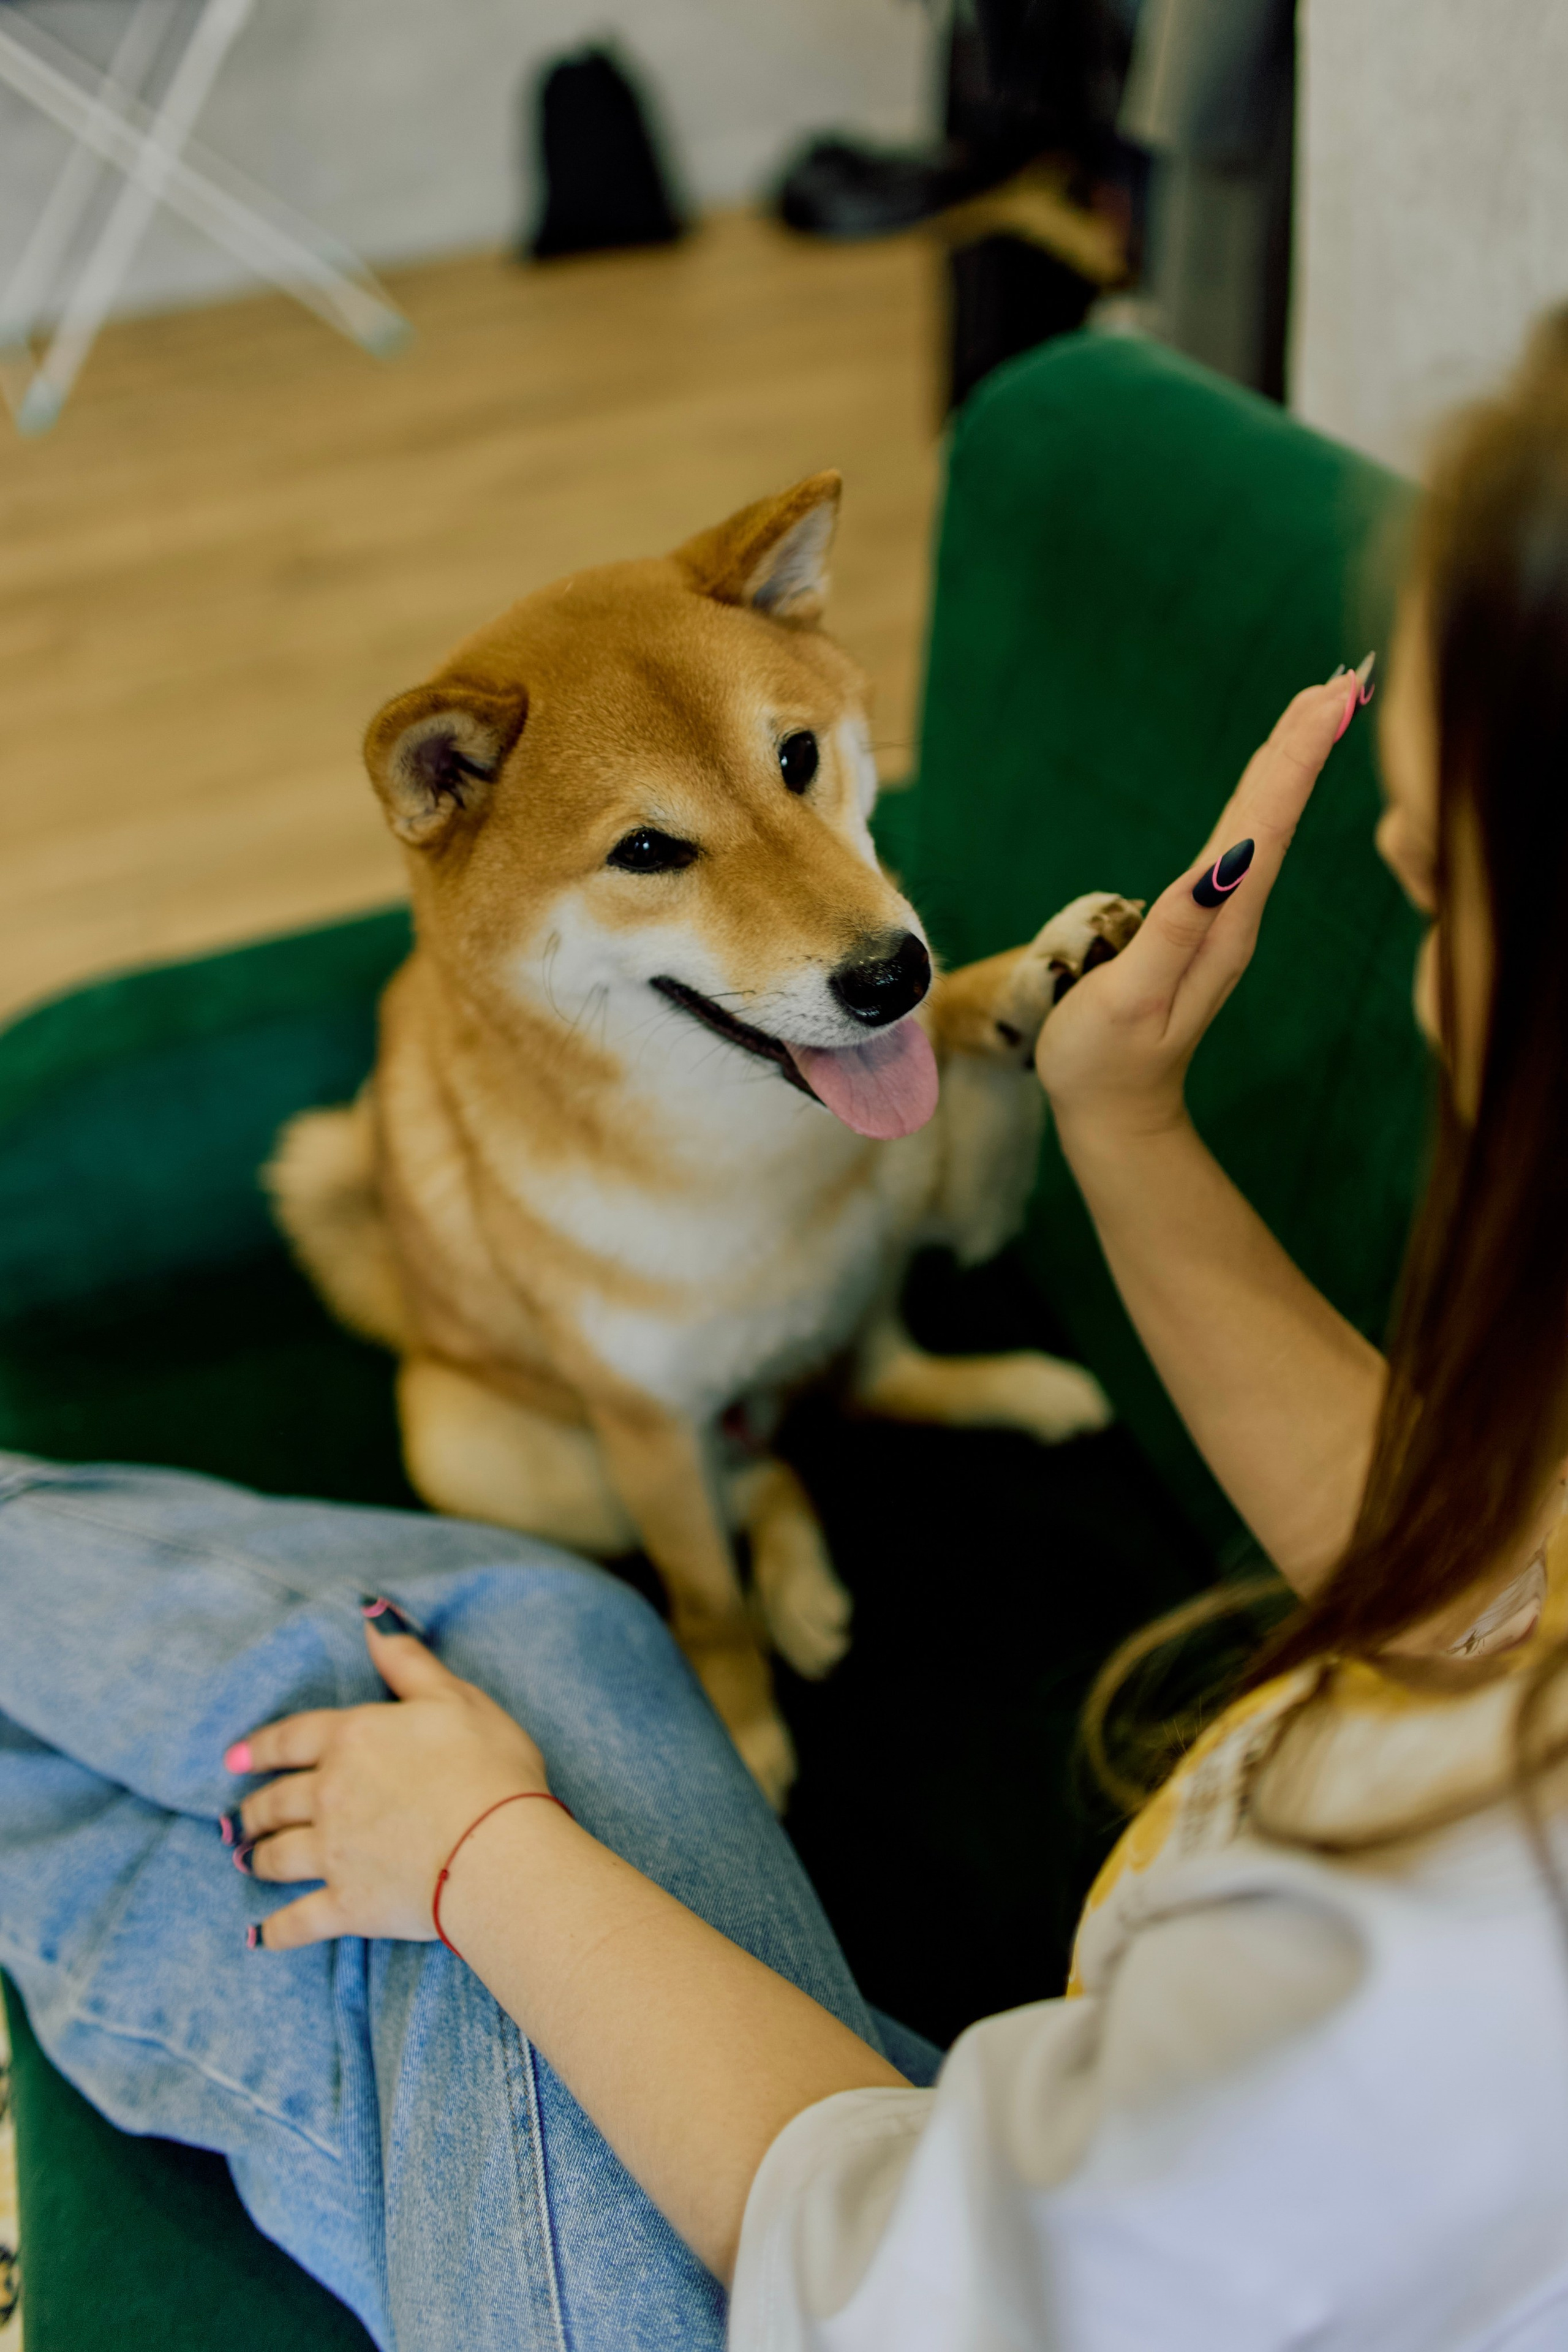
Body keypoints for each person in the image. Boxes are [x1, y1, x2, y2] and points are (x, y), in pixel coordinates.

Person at [8, 316, 1568, 2351]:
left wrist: (484, 1854)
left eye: (1440, 883)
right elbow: (1467, 1580)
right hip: (1026, 2161)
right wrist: (1119, 1113)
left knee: (406, 1730)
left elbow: (883, 2283)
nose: (1418, 961)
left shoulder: (1467, 1979)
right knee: (539, 1641)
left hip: (871, 2270)